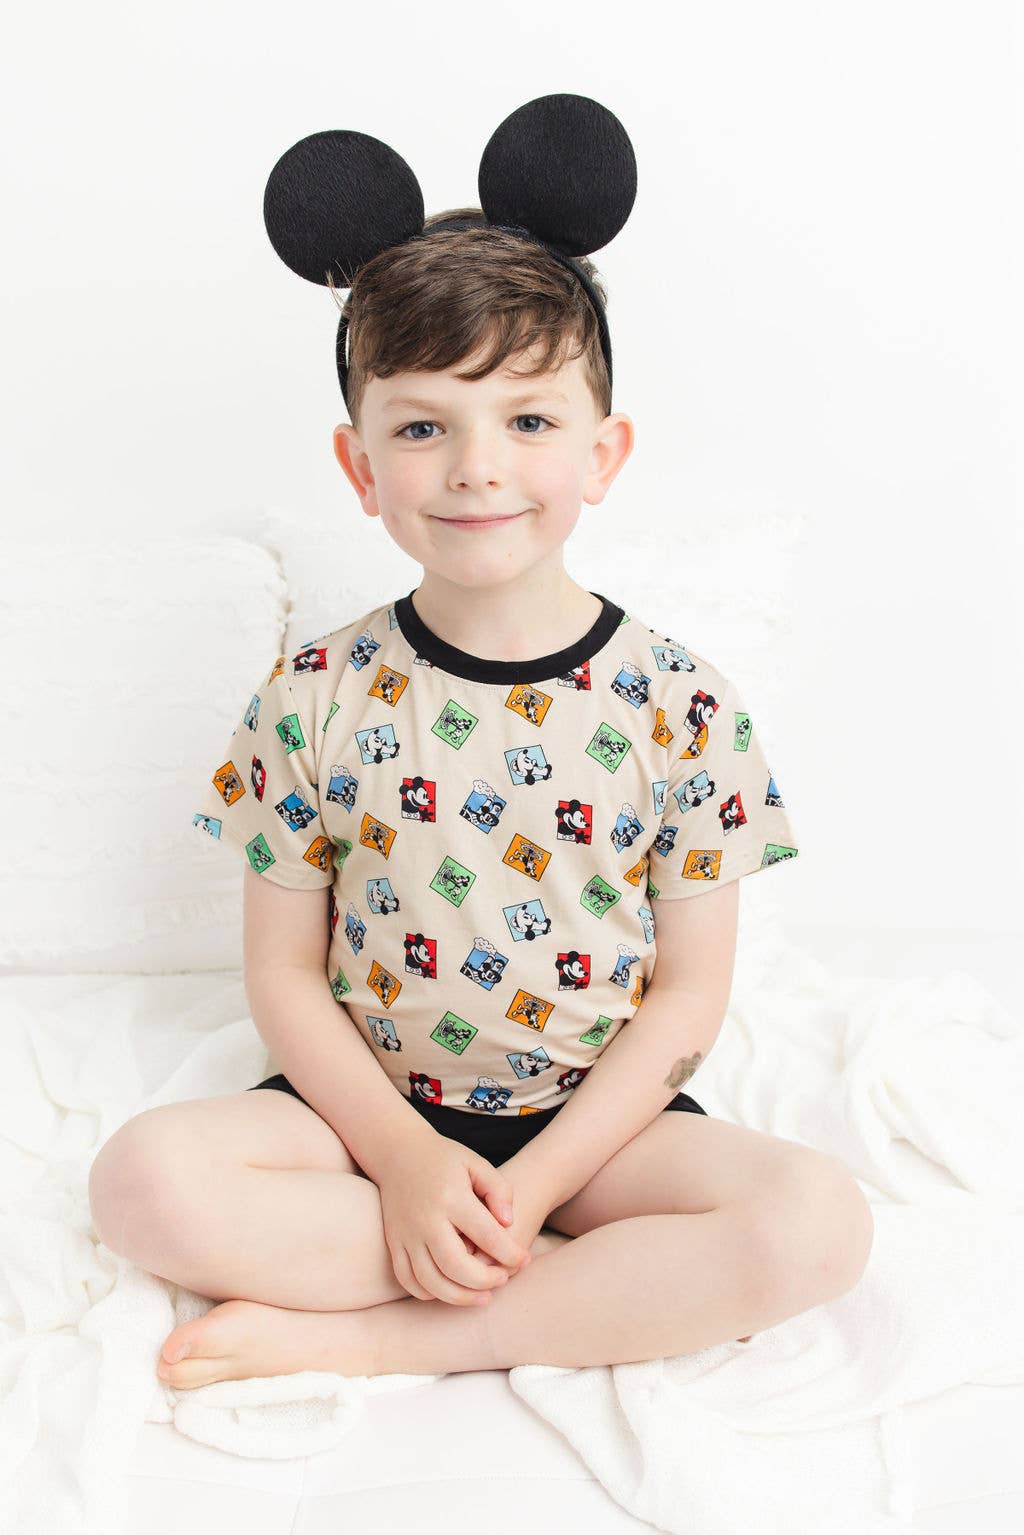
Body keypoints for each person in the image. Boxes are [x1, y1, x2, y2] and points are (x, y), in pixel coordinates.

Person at [88, 94, 872, 1391]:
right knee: (141, 1183)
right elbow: (283, 974)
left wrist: (543, 1182)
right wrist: (404, 1162)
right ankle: (581, 1292)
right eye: (421, 426)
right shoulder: (311, 698)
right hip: (363, 1120)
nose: (476, 467)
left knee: (817, 1223)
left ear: (602, 453)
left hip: (598, 1132)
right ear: (361, 468)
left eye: (528, 420)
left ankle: (399, 1334)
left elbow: (690, 998)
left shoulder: (684, 706)